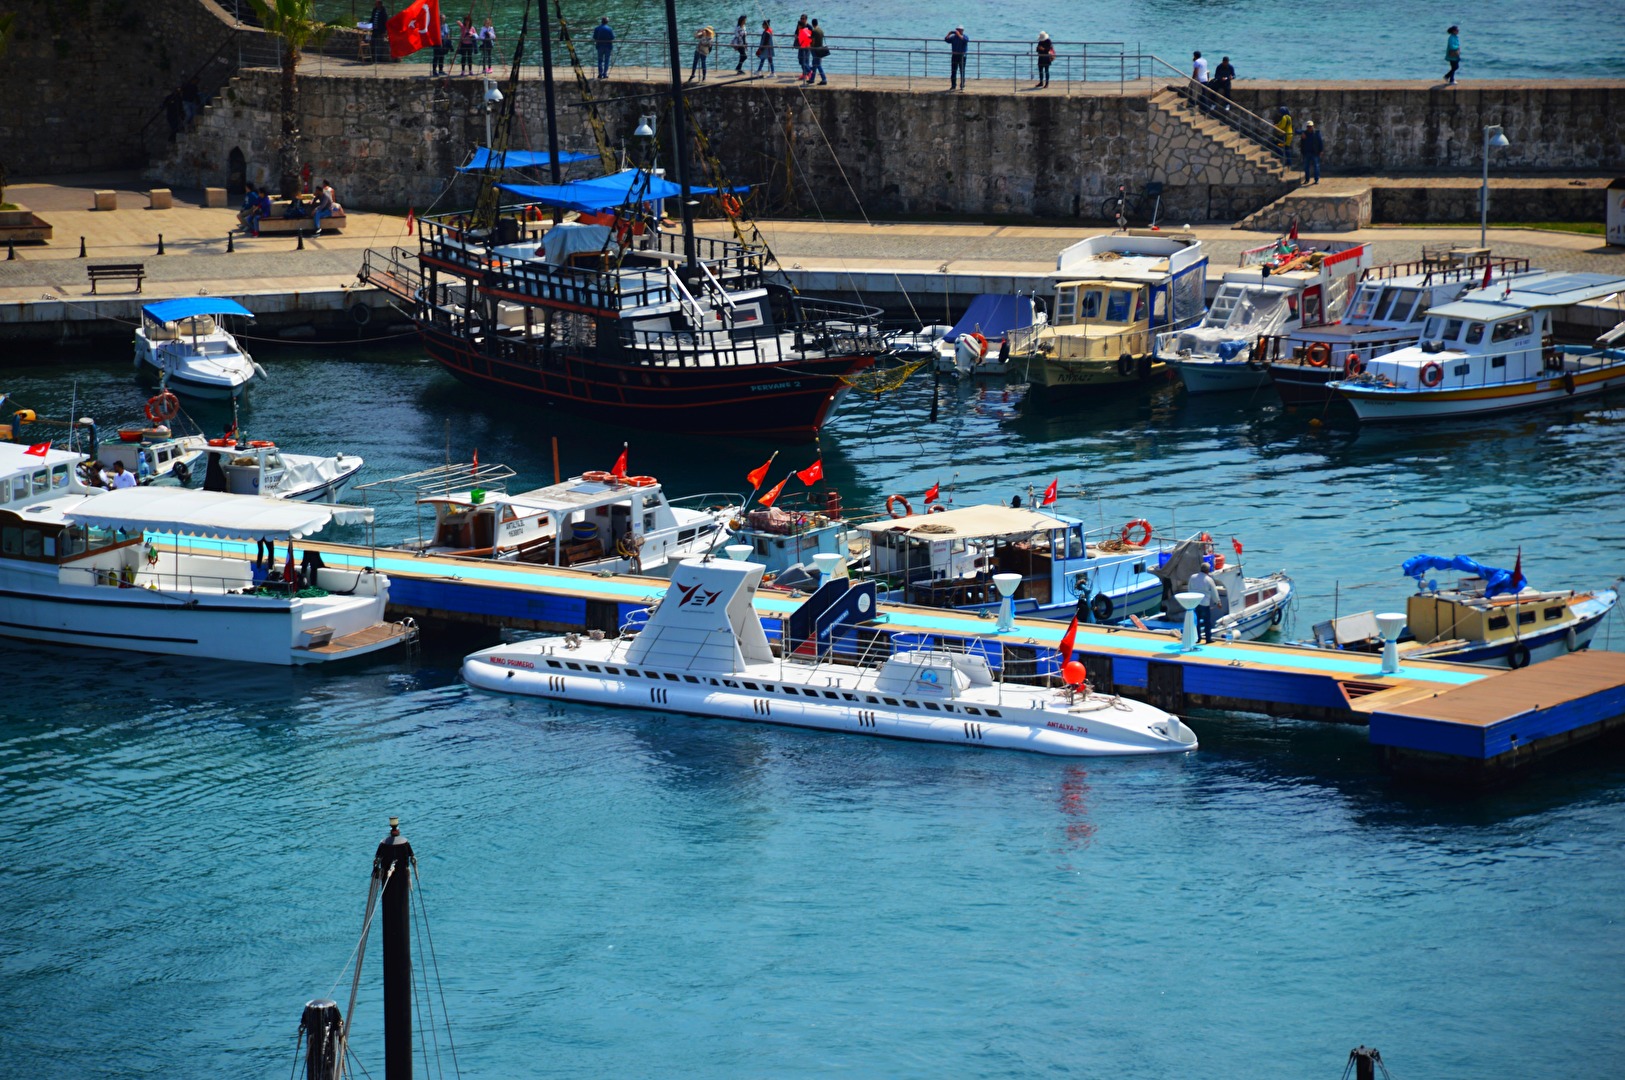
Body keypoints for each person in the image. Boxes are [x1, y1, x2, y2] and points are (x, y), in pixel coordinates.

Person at [1187, 563, 1221, 644]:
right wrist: (1218, 602)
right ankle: (1208, 639)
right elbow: (1214, 592)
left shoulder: (1193, 577)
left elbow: (1189, 588)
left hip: (1194, 602)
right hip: (1204, 604)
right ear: (1208, 570)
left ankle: (1198, 638)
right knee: (1207, 622)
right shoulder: (1209, 579)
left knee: (1196, 621)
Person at [945, 25, 968, 91]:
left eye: (959, 30)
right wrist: (949, 33)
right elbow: (946, 40)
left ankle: (962, 85)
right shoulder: (953, 37)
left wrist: (959, 35)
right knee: (953, 71)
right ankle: (953, 85)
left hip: (962, 56)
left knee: (962, 71)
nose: (958, 31)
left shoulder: (965, 36)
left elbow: (965, 40)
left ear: (962, 30)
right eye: (957, 30)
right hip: (954, 55)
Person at [1300, 120, 1323, 184]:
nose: (1309, 128)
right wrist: (1302, 151)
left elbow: (1320, 142)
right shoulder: (1304, 134)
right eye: (1308, 126)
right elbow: (1302, 143)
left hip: (1315, 152)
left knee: (1316, 166)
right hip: (1307, 152)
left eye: (1310, 126)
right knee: (1306, 167)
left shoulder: (1316, 133)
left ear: (1313, 126)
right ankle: (1307, 179)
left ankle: (1316, 179)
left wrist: (1321, 150)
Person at [808, 19, 827, 85]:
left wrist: (811, 46)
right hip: (820, 48)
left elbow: (813, 41)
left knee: (818, 65)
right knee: (815, 64)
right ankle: (812, 79)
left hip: (815, 49)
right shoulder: (821, 30)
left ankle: (824, 79)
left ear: (812, 24)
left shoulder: (814, 31)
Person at [794, 15, 812, 82]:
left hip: (806, 47)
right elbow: (796, 32)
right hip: (801, 46)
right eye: (801, 18)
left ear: (806, 19)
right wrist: (796, 36)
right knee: (801, 60)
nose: (802, 19)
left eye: (803, 18)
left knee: (805, 61)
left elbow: (811, 37)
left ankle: (808, 72)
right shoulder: (799, 27)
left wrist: (809, 45)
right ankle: (805, 73)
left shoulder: (809, 27)